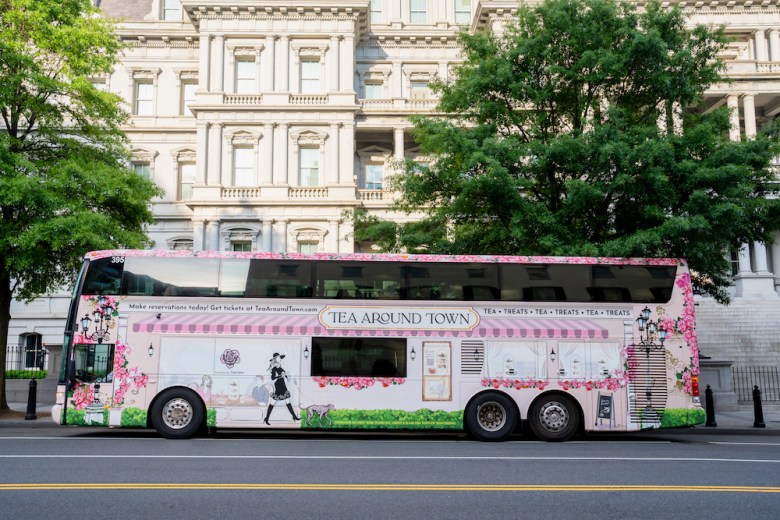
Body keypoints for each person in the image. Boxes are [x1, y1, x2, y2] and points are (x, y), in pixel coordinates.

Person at [264, 353, 300, 424]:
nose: (280, 358)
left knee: (288, 401)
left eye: (280, 357)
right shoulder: (274, 368)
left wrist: (288, 377)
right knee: (273, 402)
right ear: (275, 359)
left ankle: (294, 416)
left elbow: (286, 377)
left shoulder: (281, 368)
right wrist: (280, 376)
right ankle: (267, 418)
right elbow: (273, 378)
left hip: (283, 385)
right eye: (278, 357)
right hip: (278, 386)